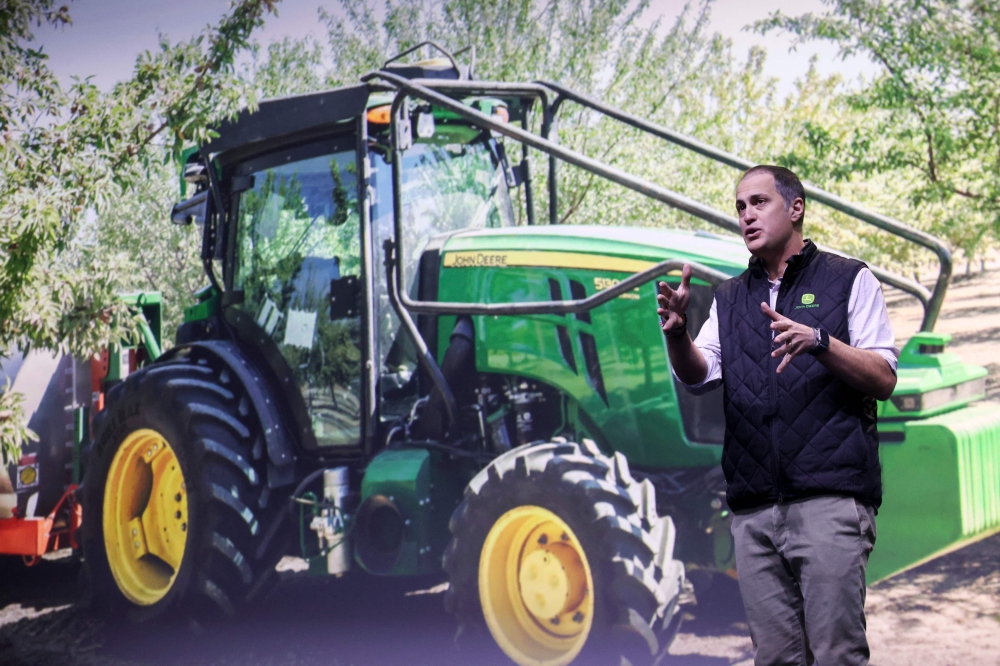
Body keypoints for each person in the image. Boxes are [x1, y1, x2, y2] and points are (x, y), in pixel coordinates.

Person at [657, 165, 898, 665]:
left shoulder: (849, 279)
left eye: (759, 202)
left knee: (836, 655)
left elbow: (883, 377)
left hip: (830, 501)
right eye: (740, 206)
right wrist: (678, 333)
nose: (746, 215)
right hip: (754, 511)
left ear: (796, 208)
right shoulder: (728, 297)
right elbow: (699, 377)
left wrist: (819, 341)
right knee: (775, 659)